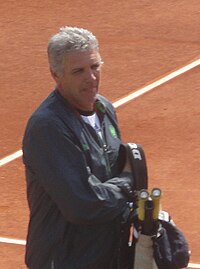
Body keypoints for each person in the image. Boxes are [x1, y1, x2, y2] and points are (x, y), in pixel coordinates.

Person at [22, 26, 135, 269]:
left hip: (105, 255)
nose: (91, 77)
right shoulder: (49, 127)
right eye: (78, 71)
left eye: (95, 66)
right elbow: (84, 203)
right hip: (65, 259)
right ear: (56, 75)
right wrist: (128, 183)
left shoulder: (104, 109)